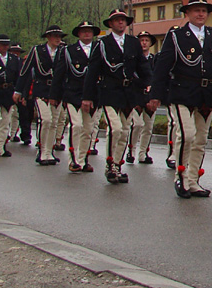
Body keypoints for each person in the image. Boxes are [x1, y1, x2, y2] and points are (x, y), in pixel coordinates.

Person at [148, 0, 212, 198]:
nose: (200, 14)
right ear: (188, 14)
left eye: (203, 11)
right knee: (187, 134)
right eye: (196, 11)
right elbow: (162, 67)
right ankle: (181, 176)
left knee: (201, 139)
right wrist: (155, 94)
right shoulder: (176, 36)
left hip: (206, 95)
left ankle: (193, 181)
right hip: (182, 92)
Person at [82, 9, 153, 184]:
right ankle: (110, 165)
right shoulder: (102, 44)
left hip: (129, 93)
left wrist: (150, 85)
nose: (121, 23)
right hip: (109, 91)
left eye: (123, 20)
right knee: (116, 128)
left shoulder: (133, 43)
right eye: (117, 20)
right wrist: (87, 96)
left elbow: (142, 66)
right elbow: (92, 71)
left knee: (125, 130)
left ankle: (117, 165)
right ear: (111, 24)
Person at [51, 21, 99, 173]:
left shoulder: (99, 49)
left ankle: (83, 159)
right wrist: (55, 95)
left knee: (88, 129)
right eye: (83, 31)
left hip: (92, 94)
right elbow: (59, 74)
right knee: (76, 125)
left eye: (89, 31)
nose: (86, 34)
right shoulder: (68, 51)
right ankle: (74, 160)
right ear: (78, 34)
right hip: (73, 93)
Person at [14, 25, 66, 165]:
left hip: (57, 91)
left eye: (59, 36)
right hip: (41, 89)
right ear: (48, 37)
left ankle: (49, 152)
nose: (57, 39)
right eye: (55, 36)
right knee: (46, 120)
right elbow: (25, 71)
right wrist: (18, 91)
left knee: (54, 122)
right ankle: (42, 150)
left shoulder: (63, 51)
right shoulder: (37, 51)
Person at [127, 31, 158, 165]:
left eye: (146, 40)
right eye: (141, 40)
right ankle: (131, 150)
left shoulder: (155, 60)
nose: (144, 43)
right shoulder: (133, 59)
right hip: (136, 95)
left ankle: (143, 153)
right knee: (137, 124)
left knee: (148, 127)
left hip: (150, 97)